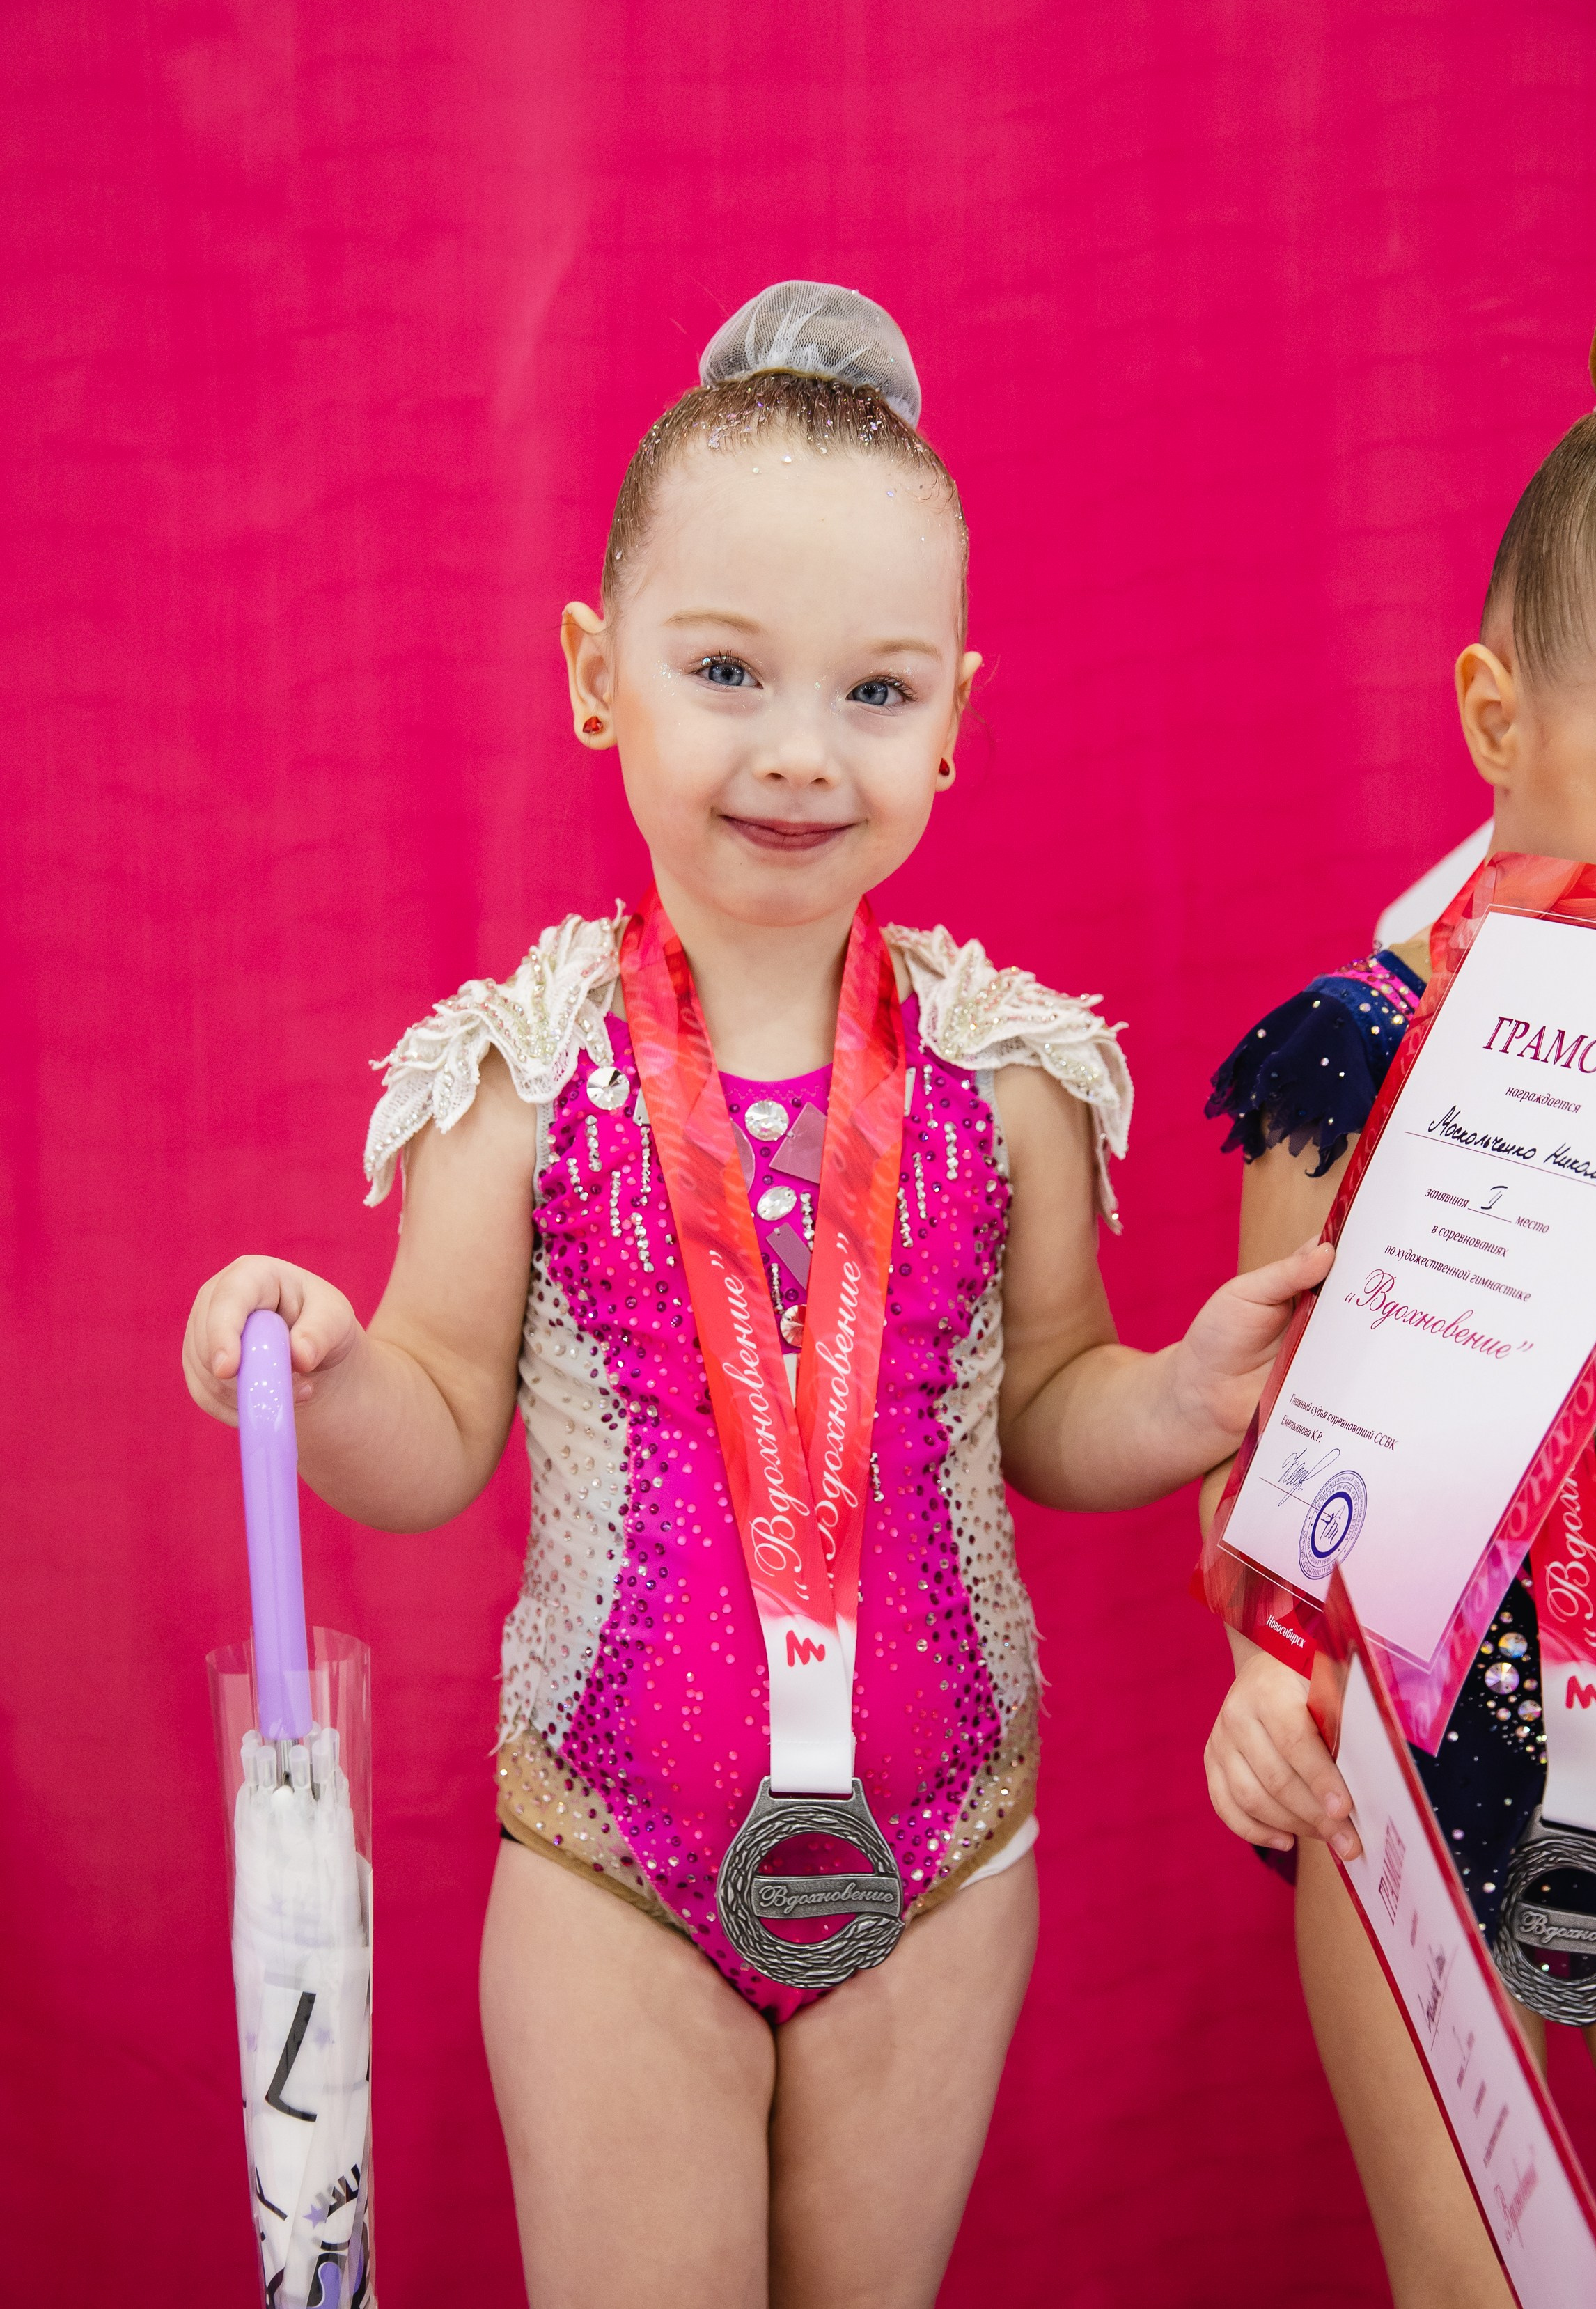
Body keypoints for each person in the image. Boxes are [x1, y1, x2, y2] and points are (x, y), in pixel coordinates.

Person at [185, 280, 1326, 2309]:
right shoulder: (522, 1072)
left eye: (876, 694)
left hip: (946, 1853)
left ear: (957, 717)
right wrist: (332, 1366)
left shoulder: (1012, 1076)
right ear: (594, 672)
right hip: (607, 1863)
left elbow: (1045, 1402)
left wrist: (1183, 1395)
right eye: (727, 670)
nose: (801, 753)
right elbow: (439, 1430)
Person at [1201, 283, 1596, 2308]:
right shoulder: (1352, 1053)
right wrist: (1265, 1669)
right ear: (1496, 720)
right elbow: (1270, 1473)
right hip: (1411, 1777)